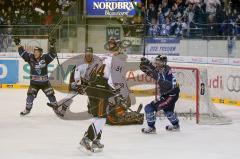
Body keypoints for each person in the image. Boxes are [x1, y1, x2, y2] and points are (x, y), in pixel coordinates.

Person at [78, 37, 130, 153]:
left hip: (91, 89)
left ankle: (96, 140)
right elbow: (113, 80)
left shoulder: (102, 57)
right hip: (101, 90)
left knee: (98, 116)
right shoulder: (118, 60)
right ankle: (87, 139)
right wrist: (118, 95)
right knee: (102, 119)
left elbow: (87, 74)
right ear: (119, 47)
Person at [14, 37, 58, 116]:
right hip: (34, 83)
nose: (35, 53)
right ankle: (27, 109)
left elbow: (53, 54)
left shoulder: (45, 58)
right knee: (30, 96)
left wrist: (52, 45)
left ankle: (56, 108)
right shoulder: (30, 57)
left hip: (45, 83)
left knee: (51, 95)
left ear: (41, 53)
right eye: (35, 51)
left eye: (37, 52)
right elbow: (22, 53)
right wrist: (18, 45)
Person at [140, 55, 180, 134]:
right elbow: (154, 71)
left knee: (149, 107)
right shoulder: (163, 69)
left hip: (170, 95)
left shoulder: (167, 72)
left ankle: (151, 127)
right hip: (170, 94)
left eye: (159, 62)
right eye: (156, 61)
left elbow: (166, 83)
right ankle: (176, 126)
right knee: (168, 111)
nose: (157, 63)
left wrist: (152, 73)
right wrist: (147, 63)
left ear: (164, 63)